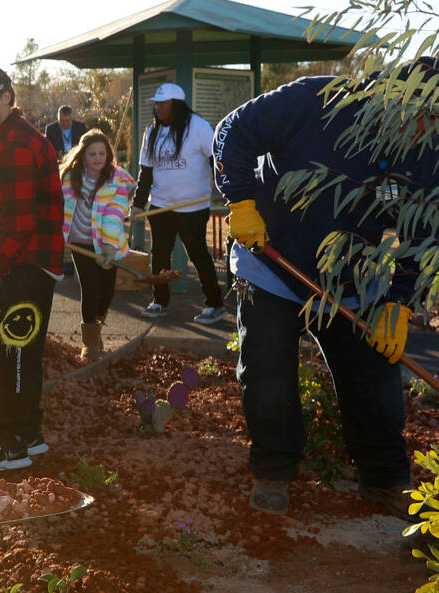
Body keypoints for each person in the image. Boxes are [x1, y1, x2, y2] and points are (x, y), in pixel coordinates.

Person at [213, 60, 439, 519]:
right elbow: (232, 130)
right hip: (272, 262)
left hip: (353, 278)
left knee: (375, 376)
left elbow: (422, 231)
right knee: (268, 367)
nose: (424, 129)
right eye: (421, 116)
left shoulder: (427, 151)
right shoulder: (316, 100)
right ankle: (273, 470)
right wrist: (239, 201)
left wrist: (399, 301)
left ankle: (384, 478)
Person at [0, 64, 64, 471]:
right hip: (30, 260)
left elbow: (19, 224)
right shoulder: (3, 137)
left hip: (26, 263)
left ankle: (11, 443)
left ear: (7, 96)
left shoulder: (16, 145)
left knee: (12, 350)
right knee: (22, 350)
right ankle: (29, 433)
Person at [132, 83, 225, 324]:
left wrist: (220, 187)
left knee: (198, 254)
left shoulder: (197, 126)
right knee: (160, 256)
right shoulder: (152, 131)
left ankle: (214, 304)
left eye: (163, 103)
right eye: (157, 103)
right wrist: (138, 204)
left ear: (176, 104)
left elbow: (216, 156)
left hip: (192, 207)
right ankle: (159, 301)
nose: (158, 107)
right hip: (161, 205)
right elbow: (146, 171)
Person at [59, 129, 134, 361]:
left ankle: (98, 326)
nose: (98, 158)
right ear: (83, 156)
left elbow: (115, 213)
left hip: (106, 244)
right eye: (92, 154)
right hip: (81, 244)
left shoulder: (116, 180)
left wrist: (110, 247)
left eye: (102, 153)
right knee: (89, 289)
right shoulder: (70, 178)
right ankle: (89, 343)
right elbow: (55, 206)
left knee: (107, 292)